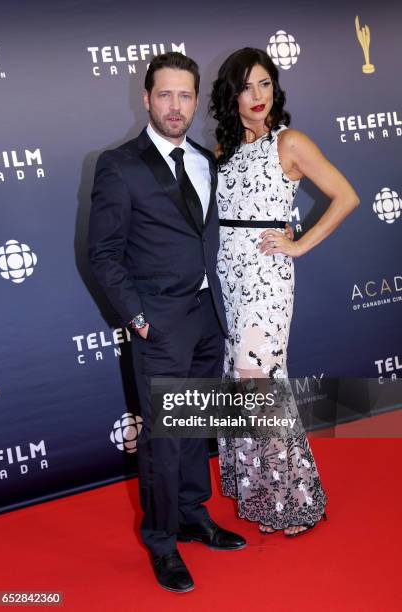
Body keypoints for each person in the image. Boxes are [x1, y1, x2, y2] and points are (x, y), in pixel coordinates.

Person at [88, 52, 247, 594]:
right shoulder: (119, 164)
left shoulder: (206, 158)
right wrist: (137, 317)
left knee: (195, 427)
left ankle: (192, 515)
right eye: (164, 95)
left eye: (185, 96)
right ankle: (161, 542)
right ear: (146, 97)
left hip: (206, 319)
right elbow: (104, 253)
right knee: (160, 440)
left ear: (196, 100)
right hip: (158, 324)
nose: (175, 106)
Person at [209, 48, 359, 536]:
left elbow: (346, 196)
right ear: (230, 96)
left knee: (260, 381)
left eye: (265, 84)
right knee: (242, 382)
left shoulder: (289, 143)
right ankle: (261, 495)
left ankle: (294, 499)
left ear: (276, 88)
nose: (256, 97)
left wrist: (298, 245)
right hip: (227, 280)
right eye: (246, 87)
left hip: (266, 279)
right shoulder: (221, 152)